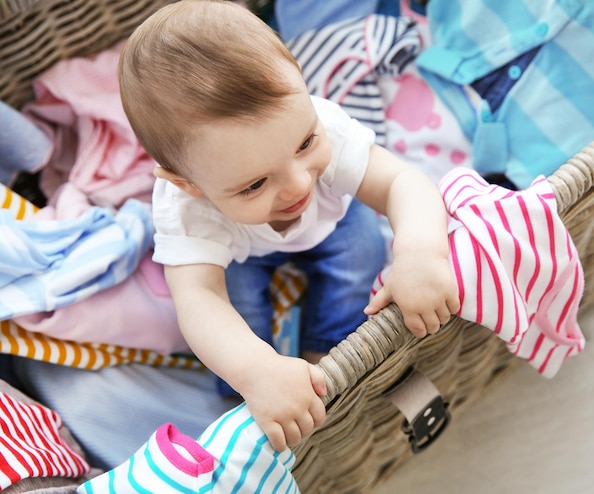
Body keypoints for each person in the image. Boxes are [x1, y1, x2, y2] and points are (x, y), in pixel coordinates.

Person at [118, 0, 460, 453]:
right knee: (236, 313)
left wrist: (420, 251)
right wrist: (255, 370)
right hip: (241, 249)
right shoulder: (186, 207)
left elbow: (402, 180)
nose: (299, 184)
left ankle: (330, 353)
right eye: (255, 183)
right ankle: (250, 396)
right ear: (189, 184)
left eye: (305, 144)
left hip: (332, 223)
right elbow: (198, 298)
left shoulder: (321, 127)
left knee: (362, 255)